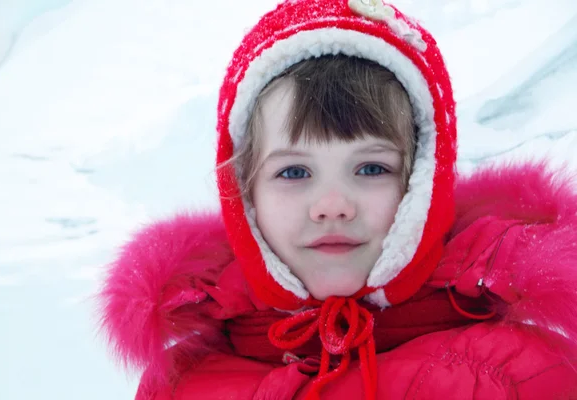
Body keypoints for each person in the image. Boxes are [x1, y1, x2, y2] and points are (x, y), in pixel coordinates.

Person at [98, 0, 577, 398]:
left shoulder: (517, 375)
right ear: (244, 195)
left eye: (371, 169)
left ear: (422, 185)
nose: (332, 205)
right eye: (293, 172)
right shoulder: (180, 384)